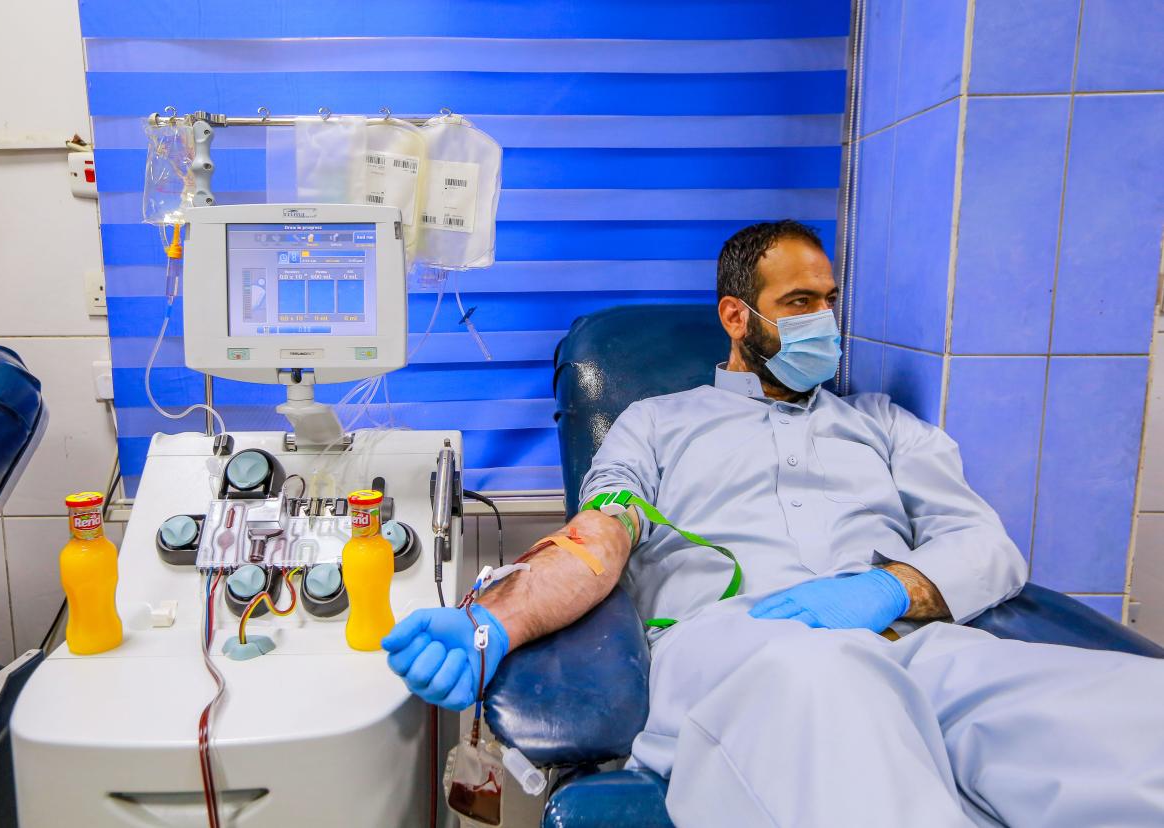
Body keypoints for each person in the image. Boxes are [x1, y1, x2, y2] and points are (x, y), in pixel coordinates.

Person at [382, 221, 1164, 827]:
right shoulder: (656, 424)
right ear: (736, 316)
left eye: (828, 301)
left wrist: (889, 591)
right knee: (826, 685)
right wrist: (494, 623)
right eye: (799, 304)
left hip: (911, 646)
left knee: (1129, 720)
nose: (825, 320)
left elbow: (984, 544)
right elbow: (599, 537)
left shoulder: (882, 425)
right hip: (741, 651)